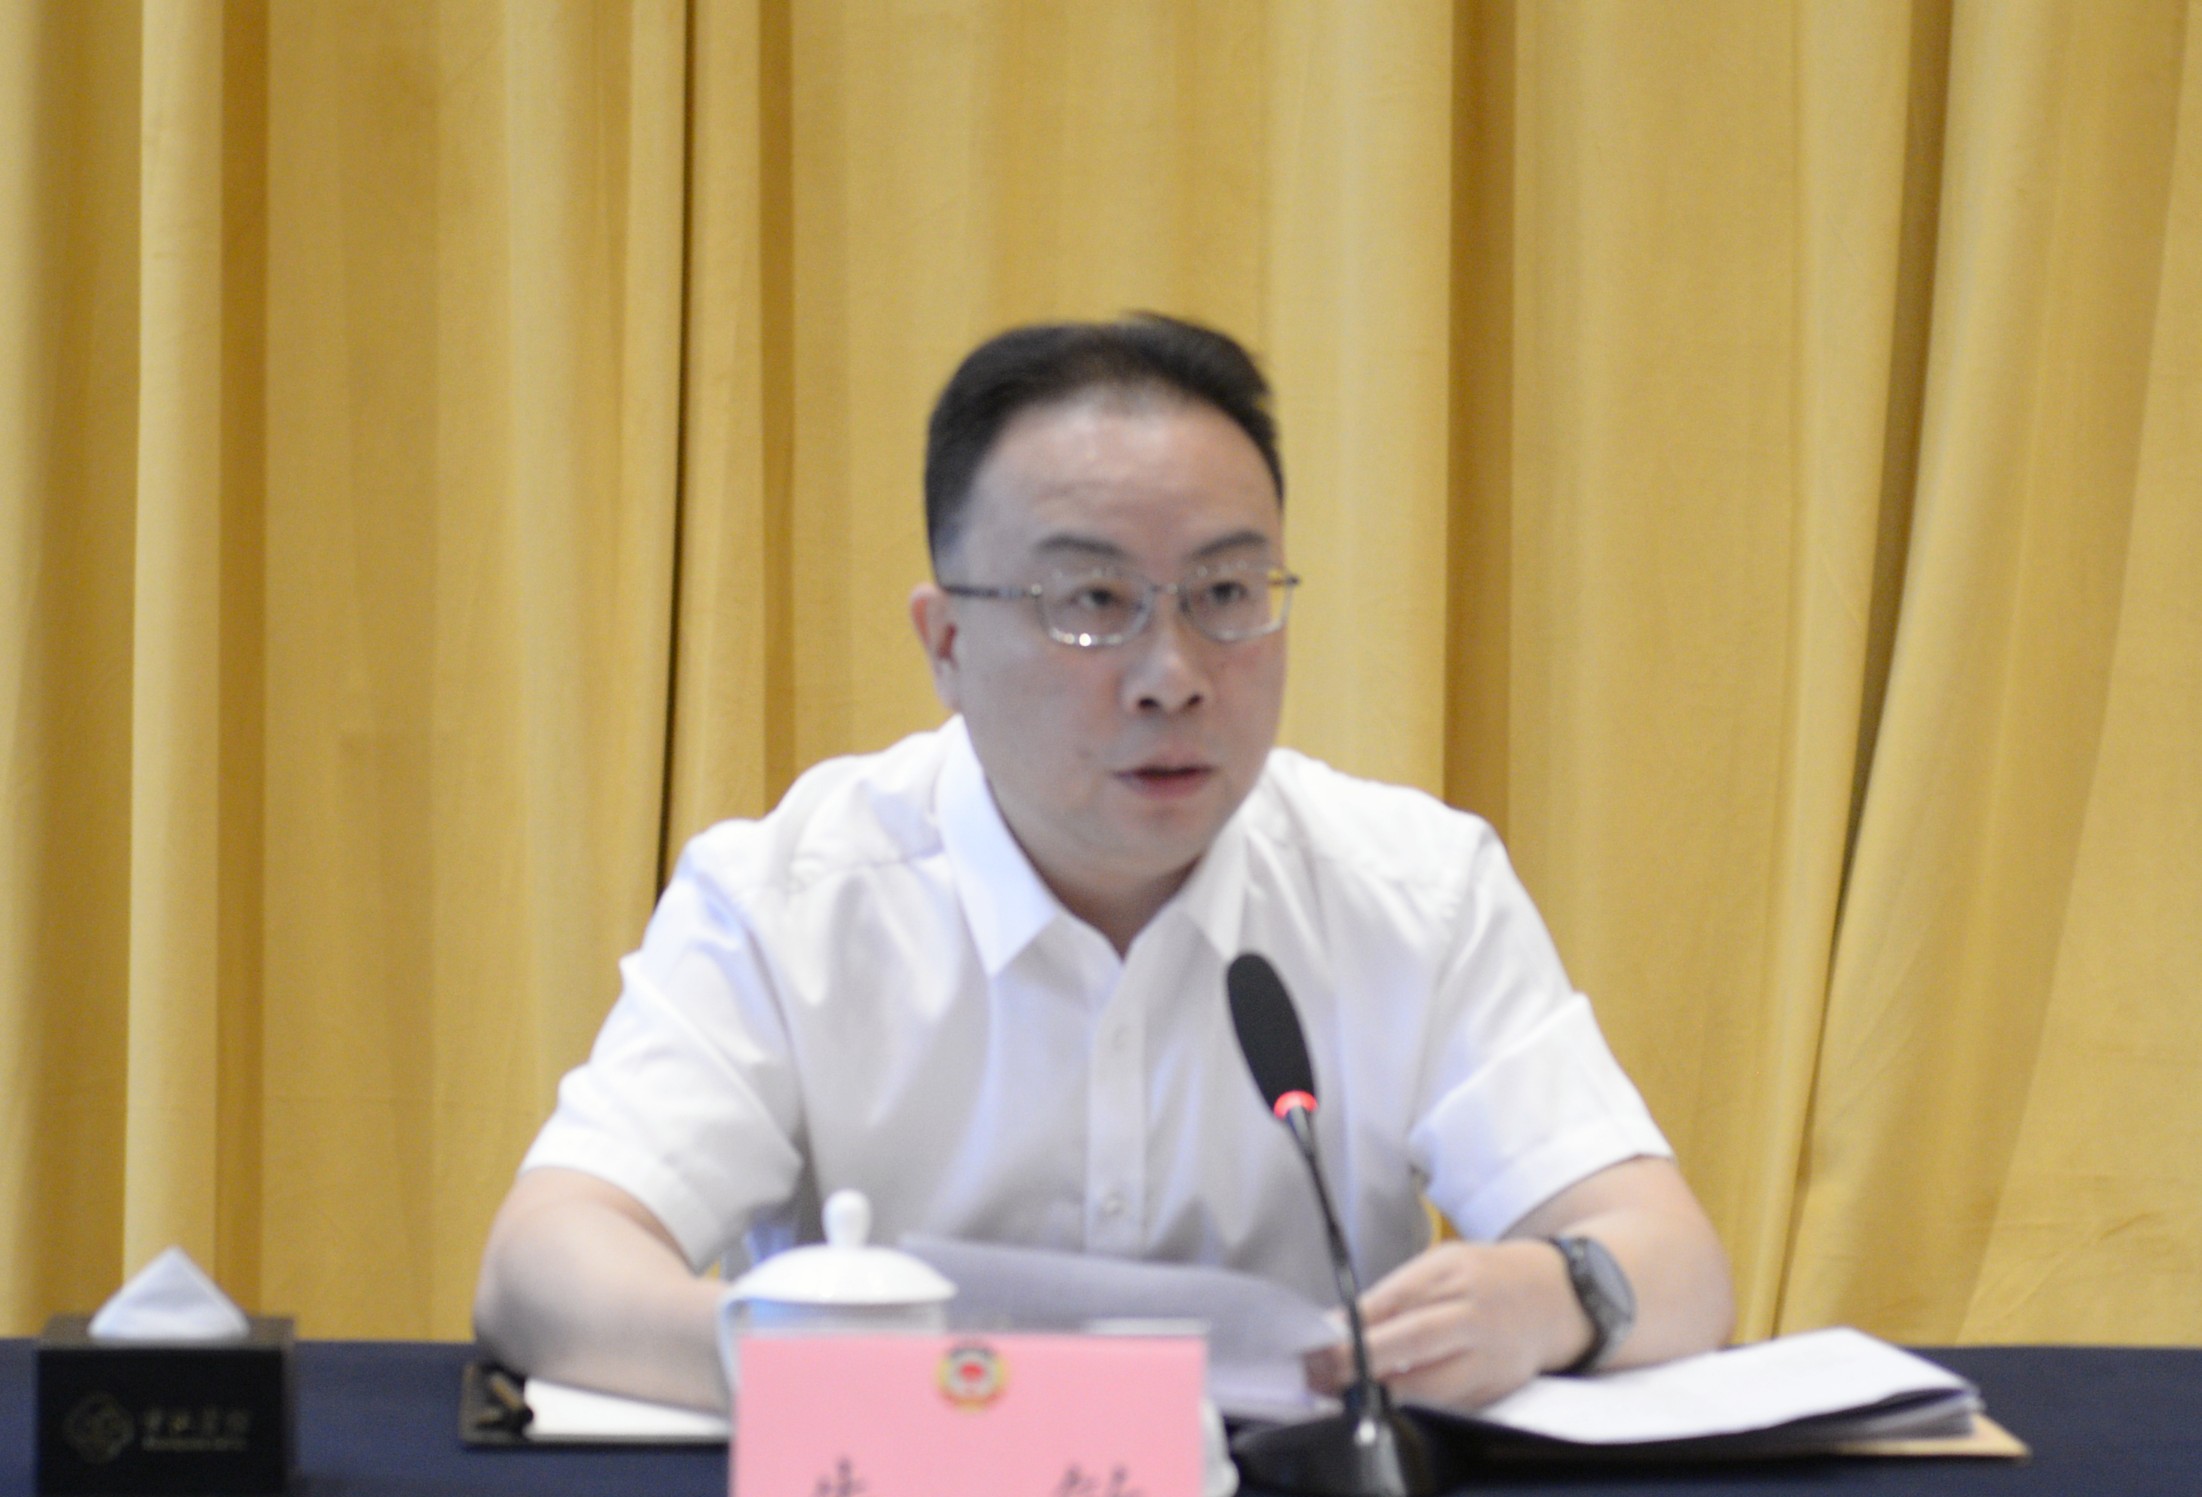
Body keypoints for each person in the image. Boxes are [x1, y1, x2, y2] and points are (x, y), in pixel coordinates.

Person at [474, 315, 1734, 1415]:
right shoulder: (788, 902)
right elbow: (545, 1264)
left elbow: (1673, 1261)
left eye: (1226, 593)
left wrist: (1556, 1294)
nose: (1173, 674)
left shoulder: (1417, 891)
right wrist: (806, 1363)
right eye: (1090, 602)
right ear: (947, 641)